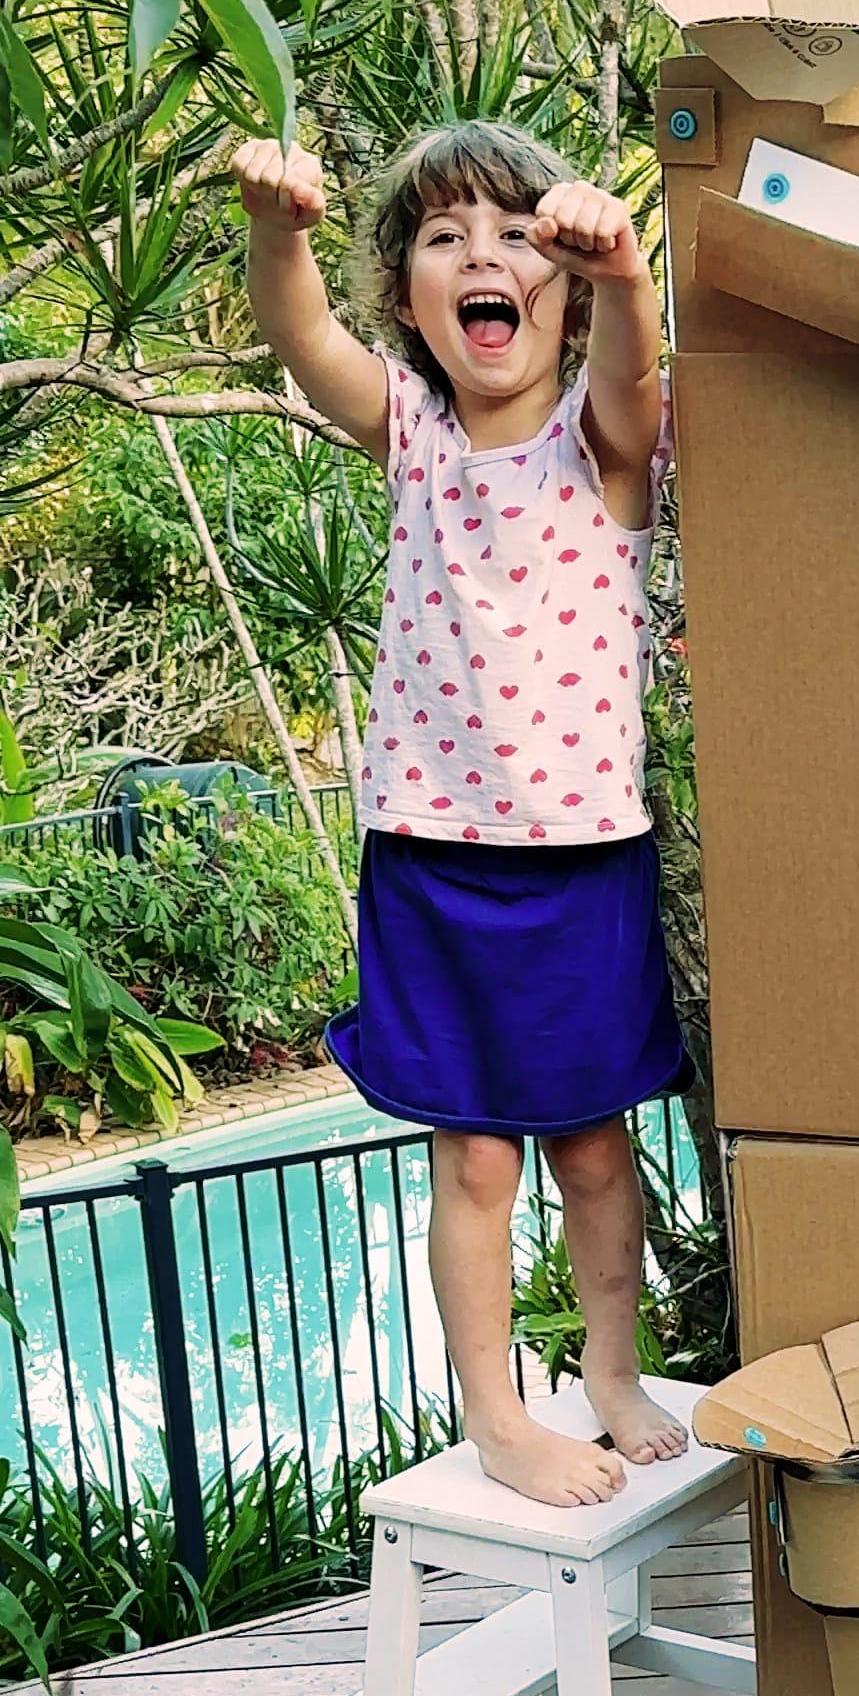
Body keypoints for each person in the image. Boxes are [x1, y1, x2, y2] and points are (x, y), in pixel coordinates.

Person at [233, 121, 690, 1506]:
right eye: (444, 237)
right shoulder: (412, 431)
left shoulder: (602, 446)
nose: (482, 256)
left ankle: (610, 1369)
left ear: (556, 283)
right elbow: (300, 332)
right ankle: (498, 1412)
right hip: (434, 860)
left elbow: (633, 369)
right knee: (477, 1158)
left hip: (582, 857)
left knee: (597, 1150)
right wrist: (277, 226)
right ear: (410, 294)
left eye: (515, 235)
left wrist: (621, 272)